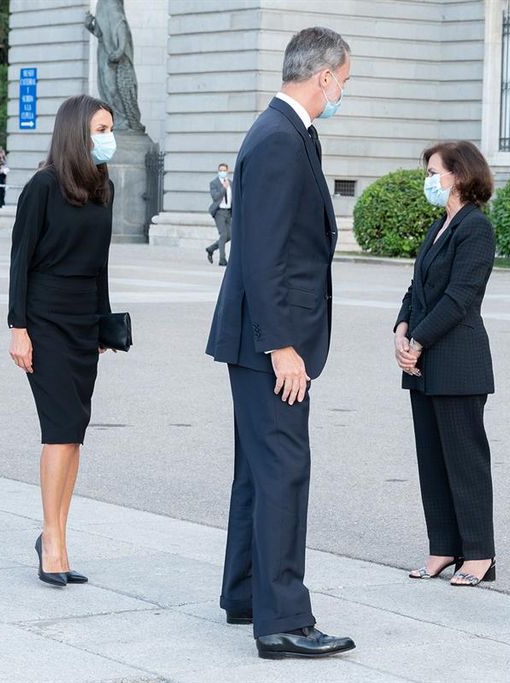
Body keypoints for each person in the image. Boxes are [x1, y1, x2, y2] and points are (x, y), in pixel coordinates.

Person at [206, 26, 355, 660]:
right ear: (322, 77)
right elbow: (262, 253)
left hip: (261, 338)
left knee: (259, 474)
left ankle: (247, 594)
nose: (343, 91)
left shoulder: (286, 133)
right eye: (343, 81)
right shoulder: (277, 140)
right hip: (271, 344)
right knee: (284, 474)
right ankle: (284, 621)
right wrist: (283, 346)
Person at [8, 94, 115, 588]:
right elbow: (20, 262)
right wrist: (18, 328)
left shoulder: (103, 188)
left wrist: (102, 323)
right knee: (59, 430)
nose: (106, 136)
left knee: (75, 434)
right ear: (76, 132)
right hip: (45, 320)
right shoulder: (42, 187)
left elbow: (100, 265)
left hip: (80, 324)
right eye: (99, 128)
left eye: (108, 127)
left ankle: (59, 534)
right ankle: (51, 540)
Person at [394, 141, 497, 587]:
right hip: (423, 362)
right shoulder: (440, 225)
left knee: (464, 460)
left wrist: (417, 340)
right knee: (431, 459)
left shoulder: (475, 228)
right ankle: (443, 548)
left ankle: (478, 554)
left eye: (433, 172)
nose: (429, 180)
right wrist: (401, 328)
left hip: (457, 361)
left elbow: (460, 297)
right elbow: (417, 288)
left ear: (457, 175)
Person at [205, 163, 232, 266]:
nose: (222, 172)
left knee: (230, 235)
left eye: (224, 170)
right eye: (221, 170)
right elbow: (215, 197)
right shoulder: (214, 183)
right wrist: (224, 188)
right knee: (223, 234)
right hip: (219, 212)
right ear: (218, 171)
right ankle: (222, 259)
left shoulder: (231, 183)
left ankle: (211, 249)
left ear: (227, 171)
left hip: (229, 212)